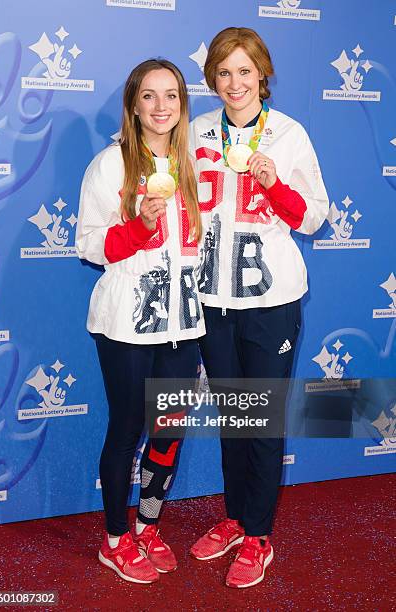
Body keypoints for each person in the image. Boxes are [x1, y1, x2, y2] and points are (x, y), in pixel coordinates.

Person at [189, 27, 329, 588]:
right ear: (212, 80)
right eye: (224, 72)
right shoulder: (196, 131)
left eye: (245, 71)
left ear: (263, 75)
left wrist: (274, 185)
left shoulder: (290, 134)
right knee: (234, 418)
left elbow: (314, 217)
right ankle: (234, 518)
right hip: (212, 297)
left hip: (270, 300)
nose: (235, 83)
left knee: (263, 421)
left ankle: (259, 535)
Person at [76, 59, 203, 584]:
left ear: (182, 104)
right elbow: (88, 244)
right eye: (148, 96)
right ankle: (115, 539)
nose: (160, 107)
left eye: (170, 96)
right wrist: (138, 225)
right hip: (126, 323)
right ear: (133, 105)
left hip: (183, 323)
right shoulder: (110, 165)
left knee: (168, 428)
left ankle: (148, 526)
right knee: (127, 428)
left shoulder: (194, 163)